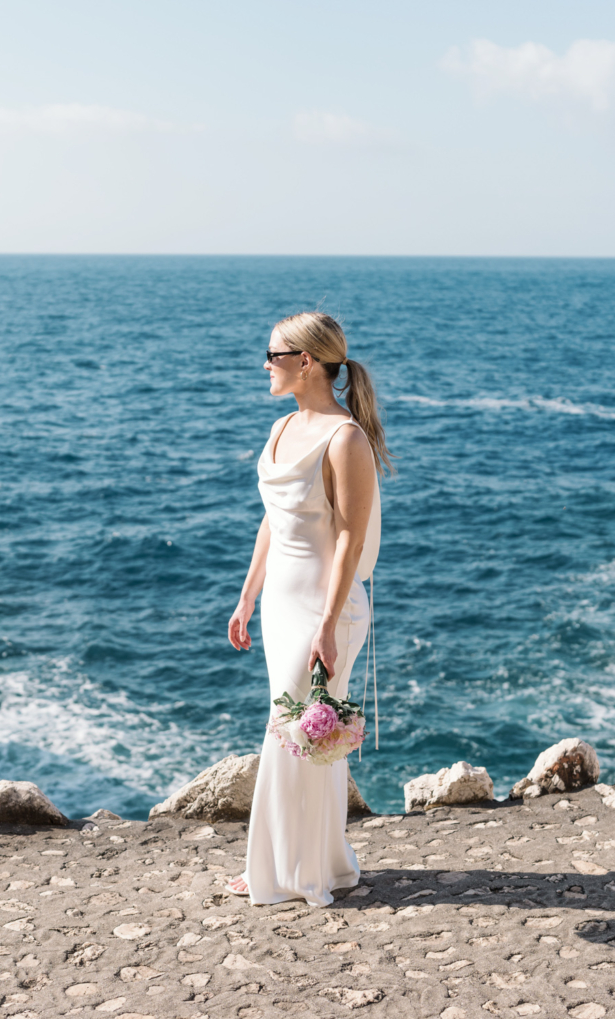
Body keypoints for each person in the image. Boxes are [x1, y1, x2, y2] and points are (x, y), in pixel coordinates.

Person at [225, 311, 393, 906]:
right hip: (282, 605)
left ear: (305, 361)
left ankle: (276, 871)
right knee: (306, 736)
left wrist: (326, 624)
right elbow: (274, 520)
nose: (264, 365)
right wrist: (248, 595)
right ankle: (322, 864)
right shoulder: (280, 428)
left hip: (330, 610)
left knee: (290, 733)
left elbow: (348, 539)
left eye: (272, 354)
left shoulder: (345, 439)